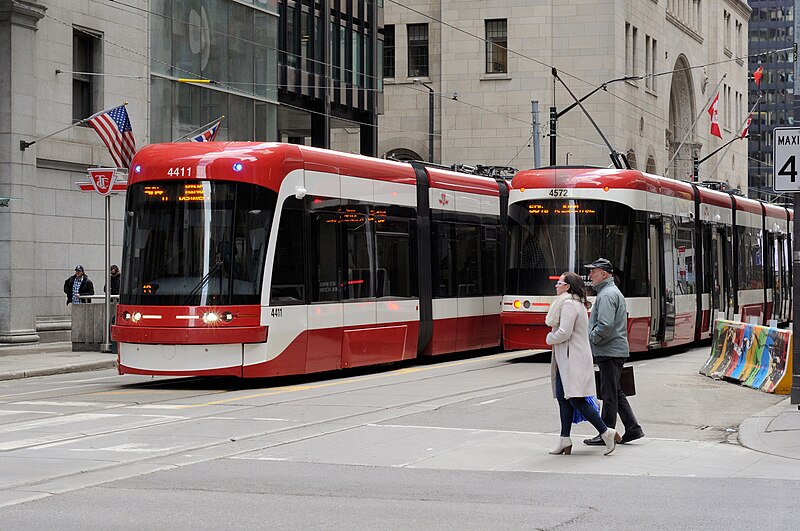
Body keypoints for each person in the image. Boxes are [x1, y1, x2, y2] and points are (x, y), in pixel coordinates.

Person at [545, 271, 620, 456]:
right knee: (564, 399)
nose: (556, 285)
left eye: (560, 283)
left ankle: (605, 432)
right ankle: (564, 439)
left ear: (567, 286)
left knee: (576, 399)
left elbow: (564, 332)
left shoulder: (569, 304)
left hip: (573, 359)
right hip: (567, 359)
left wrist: (549, 338)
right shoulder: (572, 303)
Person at [582, 258, 645, 446]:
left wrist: (592, 337)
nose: (590, 275)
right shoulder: (609, 292)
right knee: (615, 392)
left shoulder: (607, 295)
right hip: (613, 350)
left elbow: (606, 325)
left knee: (609, 393)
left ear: (604, 274)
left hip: (609, 351)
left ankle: (606, 433)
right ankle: (633, 428)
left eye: (593, 271)